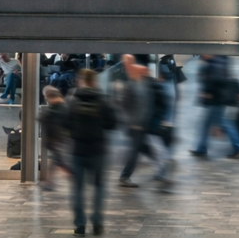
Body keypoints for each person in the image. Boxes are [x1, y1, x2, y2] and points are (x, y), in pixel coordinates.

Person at [68, 67, 117, 236]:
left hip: (78, 150)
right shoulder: (103, 99)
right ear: (94, 81)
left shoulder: (73, 100)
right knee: (98, 187)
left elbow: (65, 123)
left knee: (78, 189)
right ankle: (97, 224)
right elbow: (112, 123)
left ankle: (80, 225)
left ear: (82, 80)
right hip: (98, 150)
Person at [191, 55, 239, 159]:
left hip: (217, 99)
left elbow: (216, 79)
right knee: (210, 123)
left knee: (225, 123)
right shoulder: (217, 61)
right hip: (218, 99)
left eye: (203, 54)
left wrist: (208, 92)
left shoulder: (216, 63)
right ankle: (201, 148)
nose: (202, 55)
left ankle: (238, 146)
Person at [118, 55, 155, 187]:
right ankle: (125, 176)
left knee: (142, 147)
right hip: (135, 124)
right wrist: (132, 121)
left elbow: (149, 101)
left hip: (143, 122)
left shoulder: (144, 81)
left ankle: (162, 166)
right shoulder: (131, 84)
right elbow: (125, 105)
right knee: (135, 150)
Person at [41, 85, 71, 192]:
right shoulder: (60, 106)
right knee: (56, 160)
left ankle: (71, 174)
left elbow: (58, 122)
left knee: (59, 160)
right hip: (58, 139)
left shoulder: (60, 107)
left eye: (46, 96)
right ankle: (49, 182)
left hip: (58, 140)